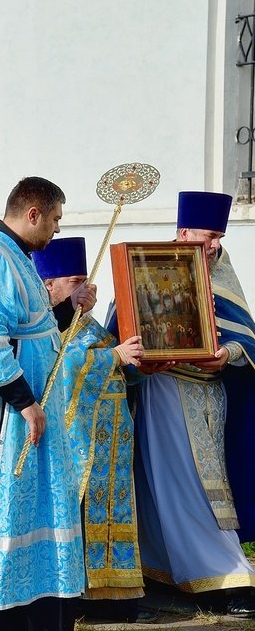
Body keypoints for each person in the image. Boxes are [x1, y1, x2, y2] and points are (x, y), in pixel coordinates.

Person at [0, 176, 95, 631]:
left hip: (23, 417)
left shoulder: (18, 257)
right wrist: (26, 403)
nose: (56, 231)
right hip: (4, 424)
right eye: (55, 221)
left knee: (34, 514)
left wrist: (69, 309)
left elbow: (34, 328)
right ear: (33, 214)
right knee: (4, 517)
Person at [110, 191, 255, 612]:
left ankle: (175, 568)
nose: (214, 246)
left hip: (211, 391)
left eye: (219, 237)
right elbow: (122, 327)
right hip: (164, 391)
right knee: (183, 481)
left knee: (204, 481)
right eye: (209, 236)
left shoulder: (220, 271)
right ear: (184, 231)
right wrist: (140, 362)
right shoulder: (147, 266)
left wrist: (226, 354)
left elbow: (243, 331)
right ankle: (223, 575)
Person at [35, 237, 146, 612]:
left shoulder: (91, 325)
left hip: (112, 436)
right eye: (76, 280)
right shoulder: (45, 326)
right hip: (78, 441)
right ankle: (84, 596)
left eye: (88, 280)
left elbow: (119, 366)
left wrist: (135, 367)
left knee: (116, 513)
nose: (88, 288)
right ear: (50, 286)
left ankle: (117, 594)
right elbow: (60, 374)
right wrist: (112, 357)